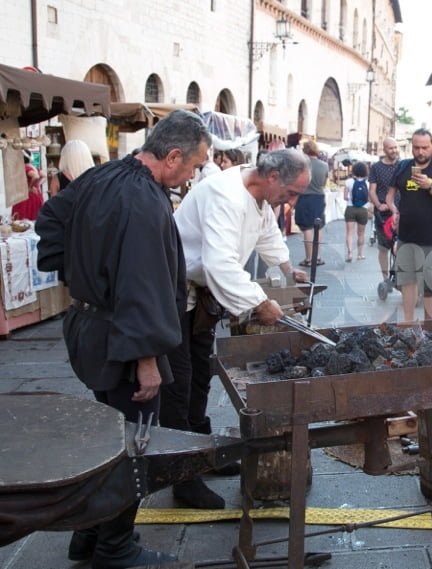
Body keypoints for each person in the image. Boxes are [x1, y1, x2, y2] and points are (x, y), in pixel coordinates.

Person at [35, 110, 211, 569]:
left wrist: (81, 274)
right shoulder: (143, 201)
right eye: (193, 166)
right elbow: (140, 284)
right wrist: (146, 360)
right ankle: (114, 546)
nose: (192, 176)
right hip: (120, 342)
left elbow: (50, 221)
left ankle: (88, 535)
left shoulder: (100, 176)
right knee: (135, 442)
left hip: (89, 328)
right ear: (173, 156)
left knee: (110, 439)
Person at [162, 149, 310, 508]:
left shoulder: (260, 196)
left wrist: (288, 268)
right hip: (175, 292)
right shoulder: (226, 195)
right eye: (291, 192)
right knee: (179, 384)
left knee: (200, 377)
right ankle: (182, 476)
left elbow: (266, 233)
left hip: (202, 297)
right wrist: (259, 303)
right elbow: (220, 264)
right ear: (272, 177)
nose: (291, 201)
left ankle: (204, 453)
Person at [385, 129, 432, 322]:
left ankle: (429, 325)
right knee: (407, 282)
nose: (420, 152)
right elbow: (390, 195)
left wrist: (430, 186)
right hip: (406, 236)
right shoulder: (403, 166)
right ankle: (408, 323)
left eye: (425, 147)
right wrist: (394, 210)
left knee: (430, 285)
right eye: (416, 147)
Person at [368, 137, 399, 282]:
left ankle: (399, 274)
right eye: (391, 148)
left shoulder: (403, 165)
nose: (394, 150)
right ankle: (385, 278)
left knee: (401, 246)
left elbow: (411, 187)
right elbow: (372, 190)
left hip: (400, 213)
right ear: (384, 149)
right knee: (383, 248)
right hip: (383, 214)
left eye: (395, 147)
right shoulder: (376, 167)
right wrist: (379, 205)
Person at [294, 140, 329, 266]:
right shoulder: (324, 165)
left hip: (304, 197)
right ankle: (317, 257)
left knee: (307, 228)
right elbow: (324, 183)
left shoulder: (301, 165)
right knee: (318, 227)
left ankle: (309, 258)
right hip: (318, 197)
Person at [344, 161, 370, 262]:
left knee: (350, 233)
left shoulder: (348, 182)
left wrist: (351, 198)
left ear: (354, 170)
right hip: (363, 210)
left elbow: (345, 197)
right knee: (361, 233)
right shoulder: (368, 183)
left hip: (350, 208)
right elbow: (369, 198)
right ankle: (360, 254)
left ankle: (350, 253)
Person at [11, 150, 45, 220]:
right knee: (34, 217)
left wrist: (29, 187)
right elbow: (43, 176)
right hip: (36, 195)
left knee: (22, 218)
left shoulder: (25, 167)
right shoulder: (34, 167)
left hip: (26, 197)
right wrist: (37, 184)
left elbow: (35, 176)